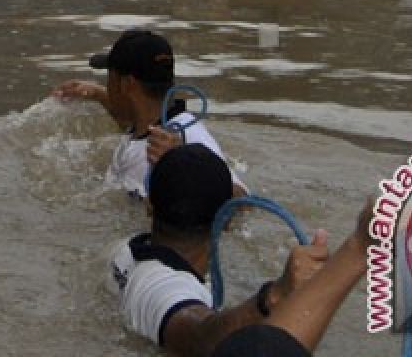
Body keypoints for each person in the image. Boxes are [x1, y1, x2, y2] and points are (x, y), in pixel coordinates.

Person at [109, 144, 372, 357]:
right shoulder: (166, 289)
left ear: (149, 204)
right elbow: (202, 339)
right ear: (224, 222)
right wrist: (274, 295)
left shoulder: (125, 250)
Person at [52, 29, 246, 199]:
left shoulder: (186, 137)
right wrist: (97, 94)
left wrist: (182, 163)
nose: (107, 87)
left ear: (127, 84)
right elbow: (127, 120)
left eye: (109, 80)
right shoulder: (146, 126)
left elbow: (242, 201)